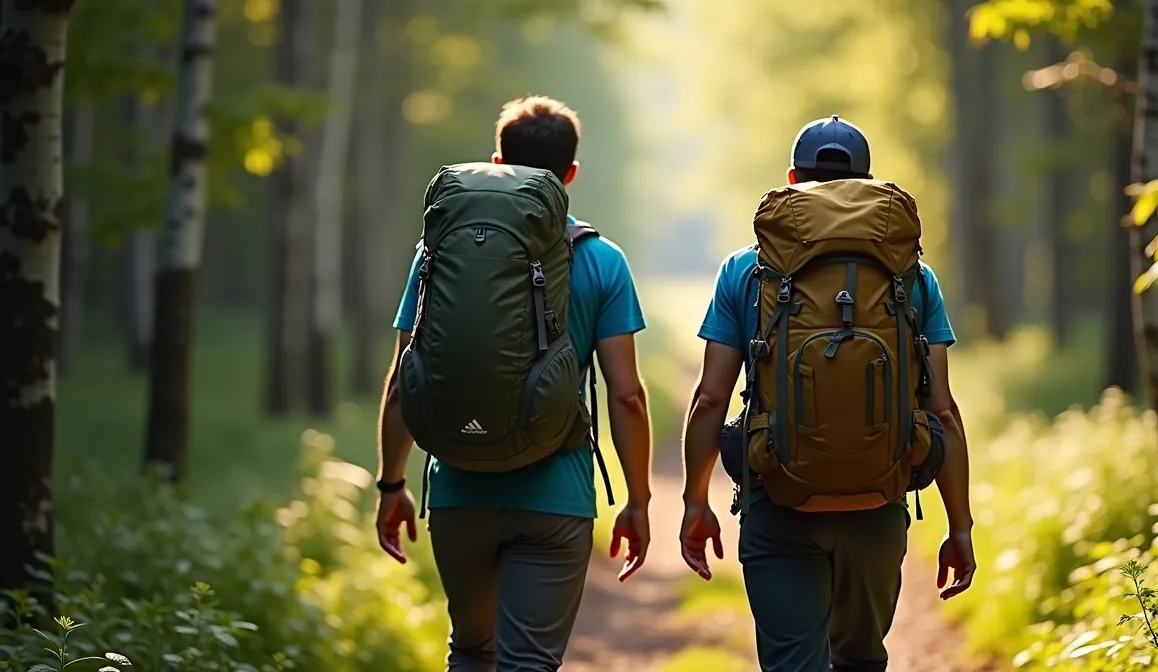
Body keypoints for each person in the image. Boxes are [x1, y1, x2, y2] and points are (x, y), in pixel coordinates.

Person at [678, 114, 977, 672]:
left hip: (779, 501)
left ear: (793, 179)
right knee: (861, 660)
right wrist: (959, 526)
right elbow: (944, 412)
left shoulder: (746, 271)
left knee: (793, 663)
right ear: (863, 184)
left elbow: (709, 401)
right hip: (879, 501)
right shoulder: (913, 277)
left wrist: (696, 503)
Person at [373, 95, 654, 672]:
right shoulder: (601, 261)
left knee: (471, 654)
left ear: (497, 163)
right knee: (530, 663)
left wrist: (391, 484)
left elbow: (404, 379)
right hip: (557, 495)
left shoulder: (437, 253)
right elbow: (626, 394)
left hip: (458, 488)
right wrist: (638, 500)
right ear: (570, 174)